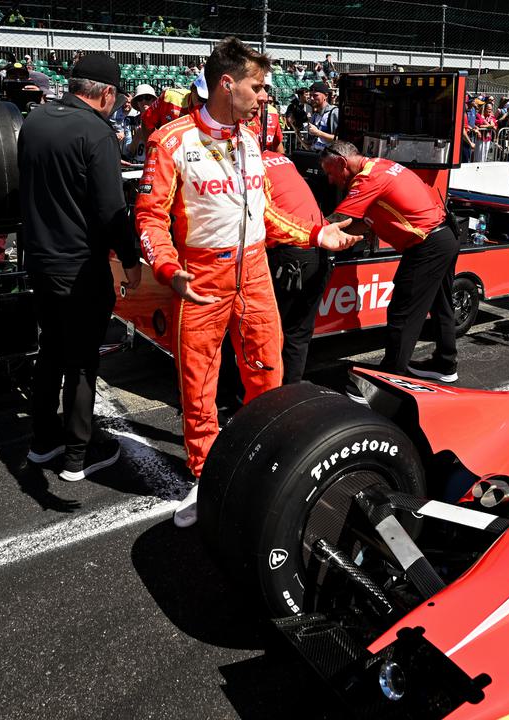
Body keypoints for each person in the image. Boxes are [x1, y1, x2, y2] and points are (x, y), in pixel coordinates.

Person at [134, 38, 360, 527]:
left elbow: (265, 214)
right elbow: (149, 218)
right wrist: (168, 269)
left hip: (255, 269)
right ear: (226, 84)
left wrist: (316, 234)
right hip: (201, 275)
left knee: (268, 374)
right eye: (257, 87)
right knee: (199, 385)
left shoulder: (251, 140)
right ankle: (204, 477)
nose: (264, 96)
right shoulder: (171, 141)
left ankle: (263, 464)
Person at [19, 54, 142, 482]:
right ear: (107, 93)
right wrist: (131, 259)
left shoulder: (35, 120)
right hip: (79, 265)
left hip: (39, 258)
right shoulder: (96, 131)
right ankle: (77, 455)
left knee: (50, 350)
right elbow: (111, 209)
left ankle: (42, 441)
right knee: (83, 359)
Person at [318, 140, 459, 383]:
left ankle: (391, 377)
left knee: (403, 312)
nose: (330, 180)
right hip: (444, 235)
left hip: (427, 243)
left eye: (330, 173)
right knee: (441, 305)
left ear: (342, 162)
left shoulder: (366, 179)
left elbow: (338, 220)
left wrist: (304, 233)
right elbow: (363, 222)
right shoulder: (379, 165)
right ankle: (446, 364)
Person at [263, 150, 331, 383]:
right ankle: (289, 392)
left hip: (291, 252)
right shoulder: (282, 160)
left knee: (268, 330)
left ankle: (259, 395)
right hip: (318, 247)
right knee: (298, 332)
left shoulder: (246, 164)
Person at [305, 81, 338, 151]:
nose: (312, 98)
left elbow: (339, 139)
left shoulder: (334, 112)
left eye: (315, 95)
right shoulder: (315, 115)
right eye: (310, 95)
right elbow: (309, 145)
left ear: (326, 96)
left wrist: (318, 133)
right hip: (315, 154)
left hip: (329, 155)